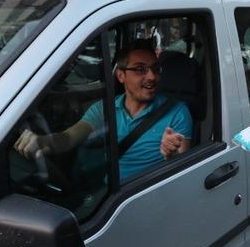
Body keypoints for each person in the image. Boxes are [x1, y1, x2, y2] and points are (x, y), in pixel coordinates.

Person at [14, 39, 192, 181]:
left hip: (147, 195)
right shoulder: (105, 108)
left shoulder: (177, 112)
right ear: (121, 76)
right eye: (140, 69)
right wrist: (43, 142)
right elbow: (68, 138)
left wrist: (172, 156)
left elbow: (181, 169)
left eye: (155, 69)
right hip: (111, 195)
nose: (152, 77)